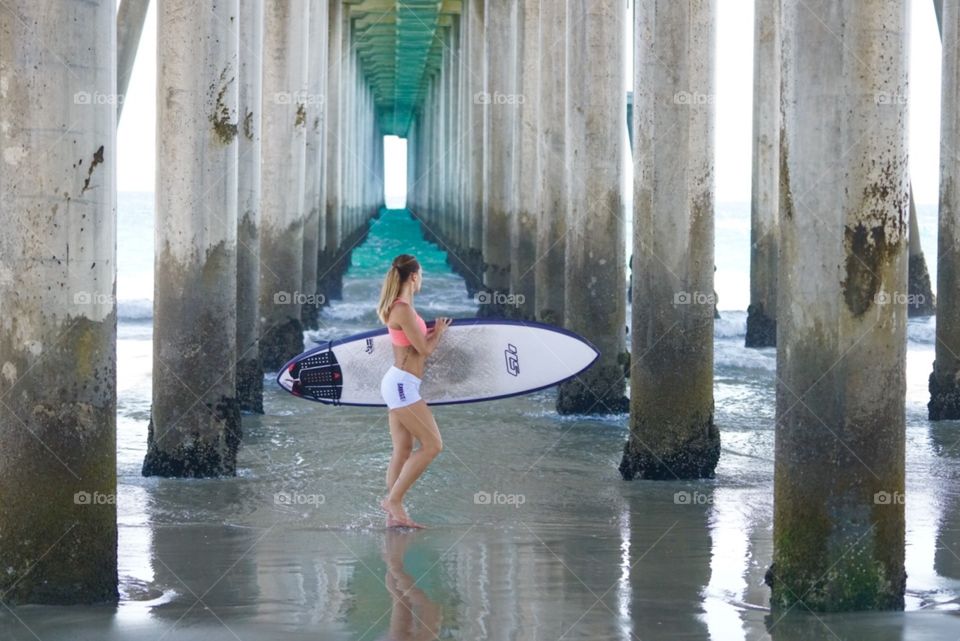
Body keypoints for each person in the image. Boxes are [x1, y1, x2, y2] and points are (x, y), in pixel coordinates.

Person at [376, 254, 452, 528]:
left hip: (401, 384)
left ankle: (393, 516)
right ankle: (393, 501)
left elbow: (414, 344)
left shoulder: (403, 307)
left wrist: (428, 334)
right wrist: (439, 332)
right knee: (433, 445)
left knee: (403, 449)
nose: (423, 280)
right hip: (402, 386)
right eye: (422, 275)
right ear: (414, 276)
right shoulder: (403, 309)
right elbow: (424, 349)